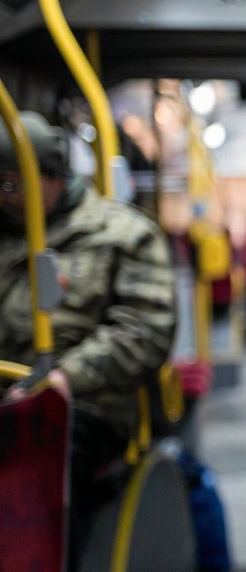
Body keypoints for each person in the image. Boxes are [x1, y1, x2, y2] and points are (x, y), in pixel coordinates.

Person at [0, 112, 176, 555]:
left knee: (40, 460)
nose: (5, 199)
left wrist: (63, 379)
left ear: (52, 177)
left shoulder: (122, 234)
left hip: (87, 404)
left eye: (11, 185)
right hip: (8, 395)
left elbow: (145, 331)